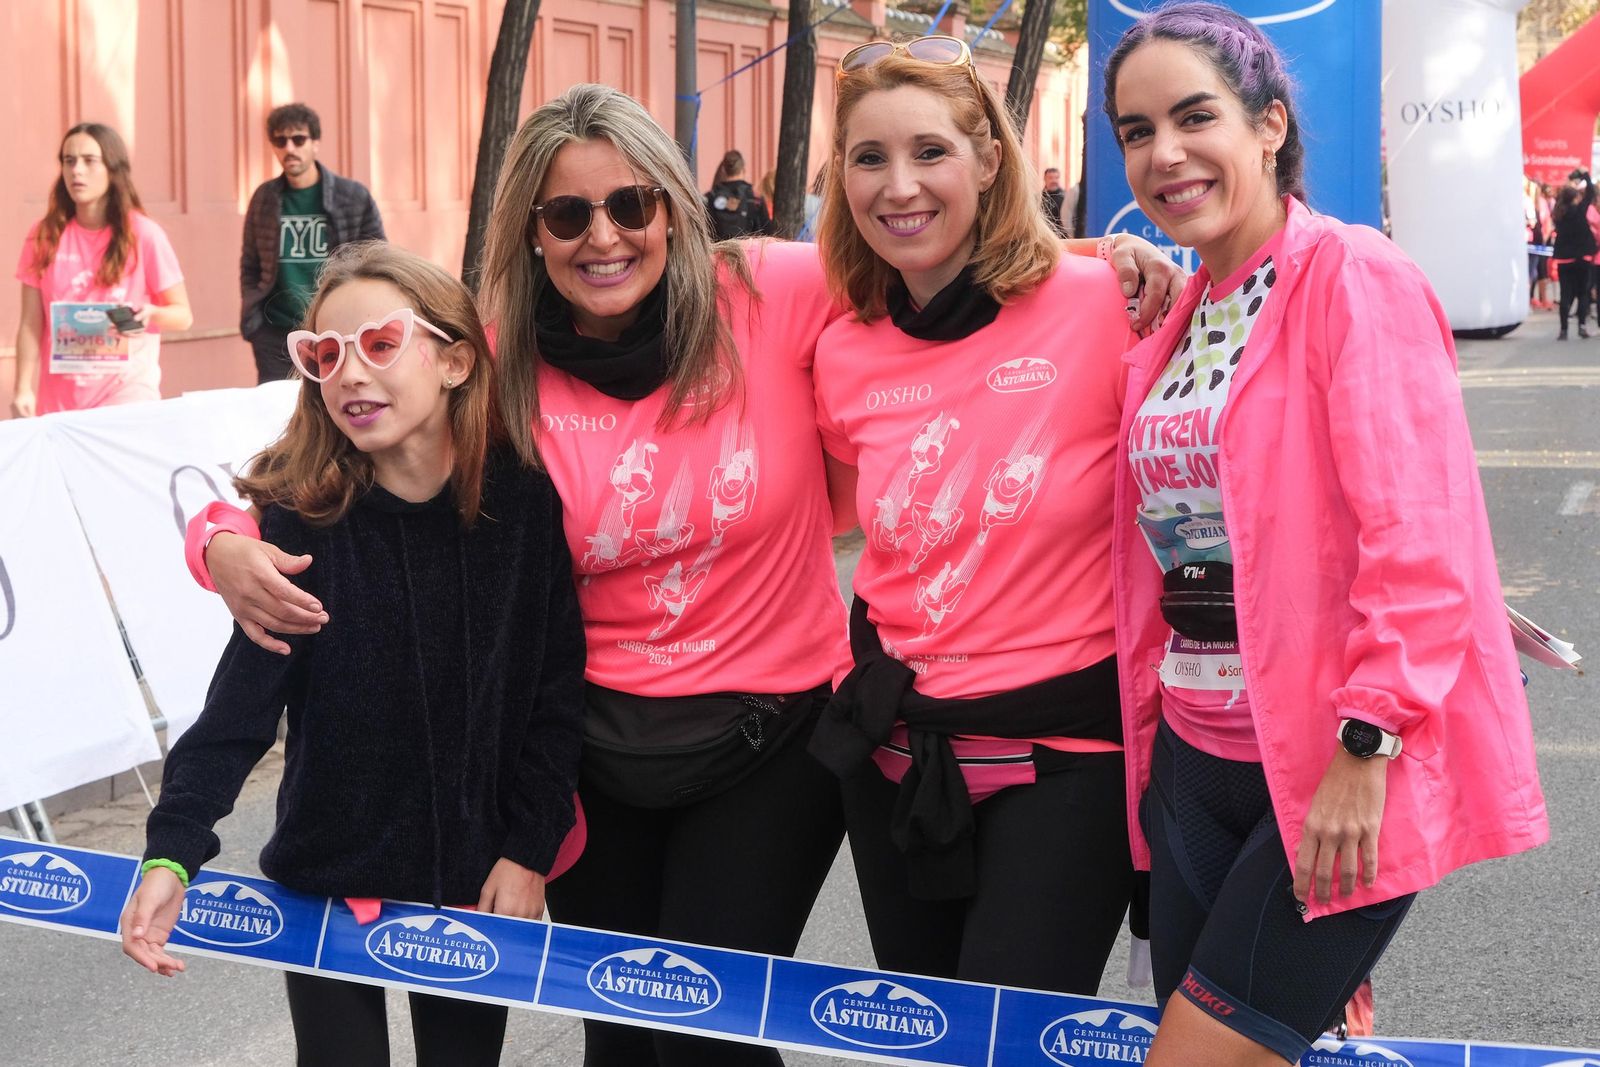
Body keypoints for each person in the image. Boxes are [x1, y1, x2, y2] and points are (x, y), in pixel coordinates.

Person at [1102, 6, 1549, 1064]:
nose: (1162, 153)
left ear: (1267, 125)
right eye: (1133, 130)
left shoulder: (1351, 275)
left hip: (1327, 760)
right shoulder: (1178, 309)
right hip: (1190, 758)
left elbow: (1419, 536)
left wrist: (1368, 740)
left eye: (1192, 116)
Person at [120, 242, 585, 1067]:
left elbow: (552, 695)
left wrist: (528, 851)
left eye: (378, 344)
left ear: (454, 359)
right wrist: (172, 849)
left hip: (474, 883)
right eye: (325, 355)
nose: (347, 374)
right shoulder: (304, 524)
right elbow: (239, 711)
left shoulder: (522, 500)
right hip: (327, 885)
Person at [805, 33, 1184, 996]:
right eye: (869, 157)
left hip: (1065, 757)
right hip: (896, 752)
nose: (900, 186)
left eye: (930, 151)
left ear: (987, 159)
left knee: (1013, 1040)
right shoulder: (843, 348)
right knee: (932, 1034)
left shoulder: (1110, 303)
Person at [12, 123, 191, 417]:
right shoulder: (43, 235)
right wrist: (22, 388)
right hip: (60, 403)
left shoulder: (145, 234)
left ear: (112, 168)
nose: (76, 171)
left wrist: (151, 315)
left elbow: (183, 315)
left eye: (89, 161)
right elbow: (31, 323)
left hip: (126, 396)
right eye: (69, 161)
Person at [241, 102, 386, 383]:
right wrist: (256, 325)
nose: (290, 149)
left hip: (336, 329)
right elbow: (250, 264)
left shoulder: (352, 197)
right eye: (281, 141)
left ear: (315, 143)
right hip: (276, 334)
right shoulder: (264, 199)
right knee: (277, 413)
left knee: (333, 407)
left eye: (299, 139)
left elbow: (378, 260)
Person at [1551, 175, 1596, 340]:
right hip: (1582, 258)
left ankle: (1563, 330)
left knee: (1565, 294)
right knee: (1583, 293)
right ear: (1576, 197)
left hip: (1564, 259)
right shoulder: (1580, 210)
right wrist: (1585, 176)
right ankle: (1582, 327)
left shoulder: (1558, 213)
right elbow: (1591, 193)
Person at [704, 149, 772, 240]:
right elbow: (767, 233)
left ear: (723, 170)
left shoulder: (710, 198)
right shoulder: (755, 199)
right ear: (743, 170)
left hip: (718, 251)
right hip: (748, 251)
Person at [1041, 166, 1070, 236]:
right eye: (1050, 178)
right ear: (1045, 179)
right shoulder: (1038, 199)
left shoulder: (1066, 198)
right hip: (1043, 237)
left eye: (1056, 178)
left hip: (1062, 239)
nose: (1054, 181)